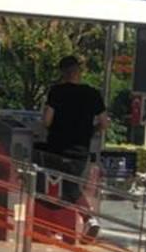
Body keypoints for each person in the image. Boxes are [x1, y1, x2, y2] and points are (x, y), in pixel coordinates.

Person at [42, 54, 108, 208]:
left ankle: (82, 216)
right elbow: (104, 123)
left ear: (62, 72)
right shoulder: (92, 94)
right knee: (71, 185)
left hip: (56, 148)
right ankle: (77, 219)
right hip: (80, 150)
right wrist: (91, 130)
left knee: (54, 186)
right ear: (79, 72)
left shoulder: (56, 92)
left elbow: (46, 120)